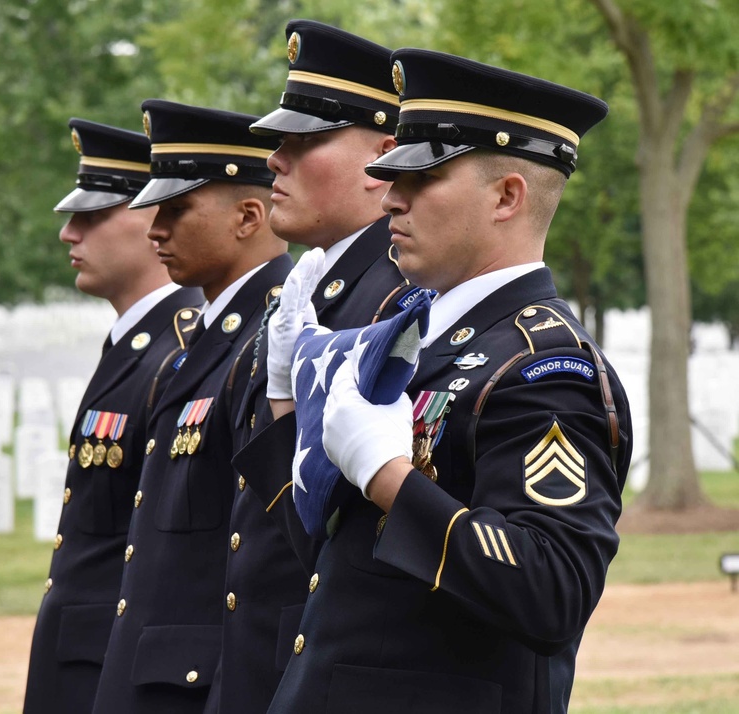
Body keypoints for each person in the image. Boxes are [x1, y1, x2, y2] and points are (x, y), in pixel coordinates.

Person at [265, 49, 632, 713]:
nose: (391, 196)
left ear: (507, 196)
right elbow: (330, 562)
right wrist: (291, 406)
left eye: (422, 178)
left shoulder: (545, 369)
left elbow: (552, 591)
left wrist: (389, 479)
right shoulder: (405, 340)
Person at [215, 19, 412, 714]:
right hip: (261, 661)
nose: (274, 159)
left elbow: (333, 523)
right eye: (278, 142)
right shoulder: (312, 290)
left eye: (304, 143)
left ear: (383, 158)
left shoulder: (395, 298)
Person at [89, 100, 292, 714]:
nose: (155, 231)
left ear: (248, 216)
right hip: (158, 674)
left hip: (201, 684)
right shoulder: (204, 338)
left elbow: (260, 554)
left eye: (176, 212)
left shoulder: (272, 337)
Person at [22, 118, 203, 714]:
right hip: (82, 660)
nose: (68, 235)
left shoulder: (180, 352)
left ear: (153, 217)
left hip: (117, 670)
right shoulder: (135, 344)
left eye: (91, 216)